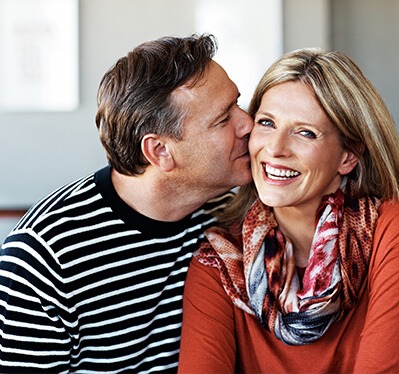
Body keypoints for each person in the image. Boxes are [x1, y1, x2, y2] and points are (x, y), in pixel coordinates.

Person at [178, 48, 399, 373]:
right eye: (266, 123)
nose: (276, 149)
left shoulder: (398, 228)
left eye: (306, 132)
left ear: (348, 156)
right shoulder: (220, 262)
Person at [0, 34, 253, 372]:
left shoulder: (228, 217)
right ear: (160, 151)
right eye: (224, 118)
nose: (248, 123)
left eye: (238, 103)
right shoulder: (43, 259)